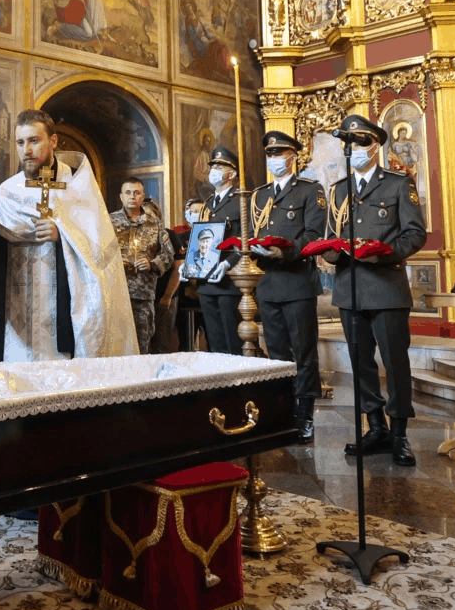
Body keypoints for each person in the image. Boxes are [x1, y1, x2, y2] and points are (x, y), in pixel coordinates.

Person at [0, 109, 136, 361]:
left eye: (34, 140)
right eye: (20, 142)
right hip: (17, 314)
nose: (26, 150)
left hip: (62, 312)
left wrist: (63, 234)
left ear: (53, 141)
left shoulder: (78, 187)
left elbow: (103, 251)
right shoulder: (7, 193)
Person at [323, 114, 426, 466]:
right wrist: (331, 250)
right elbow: (331, 236)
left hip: (386, 287)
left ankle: (399, 434)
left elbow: (415, 234)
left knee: (395, 362)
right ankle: (375, 426)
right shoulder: (339, 189)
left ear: (376, 146)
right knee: (361, 363)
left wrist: (383, 254)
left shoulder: (398, 183)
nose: (353, 148)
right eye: (348, 143)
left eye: (360, 142)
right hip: (349, 288)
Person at [250, 131, 326, 443]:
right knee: (277, 353)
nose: (273, 159)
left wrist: (286, 251)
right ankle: (282, 411)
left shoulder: (310, 190)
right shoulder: (260, 195)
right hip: (268, 284)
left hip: (297, 283)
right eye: (269, 154)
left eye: (279, 154)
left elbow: (314, 235)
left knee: (303, 352)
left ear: (292, 157)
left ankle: (304, 414)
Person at [186, 146, 243, 354]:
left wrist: (228, 263)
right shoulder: (208, 204)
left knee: (232, 340)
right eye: (213, 167)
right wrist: (190, 263)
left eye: (219, 167)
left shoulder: (241, 200)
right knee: (215, 342)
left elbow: (246, 239)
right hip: (206, 281)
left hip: (229, 281)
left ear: (232, 174)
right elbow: (201, 238)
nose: (213, 171)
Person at [109, 178, 174, 353]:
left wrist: (152, 264)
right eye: (128, 193)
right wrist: (114, 263)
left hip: (142, 294)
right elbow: (98, 253)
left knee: (141, 344)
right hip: (115, 292)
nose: (132, 196)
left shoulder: (155, 223)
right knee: (115, 344)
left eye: (137, 193)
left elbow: (168, 255)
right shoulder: (109, 222)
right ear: (121, 197)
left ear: (143, 196)